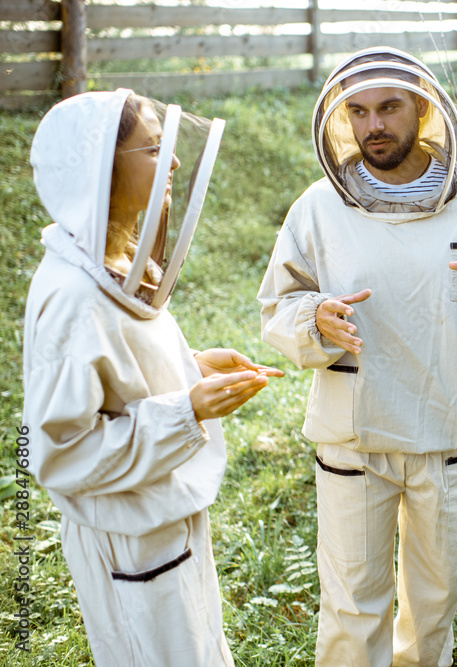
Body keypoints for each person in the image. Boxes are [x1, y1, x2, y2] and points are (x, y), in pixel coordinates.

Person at [258, 47, 457, 666]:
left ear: (422, 108)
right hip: (352, 434)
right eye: (359, 111)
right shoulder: (318, 207)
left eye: (389, 107)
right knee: (350, 602)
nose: (374, 126)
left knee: (435, 600)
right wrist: (314, 317)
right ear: (341, 119)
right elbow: (277, 310)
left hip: (447, 431)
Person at [22, 89, 282, 666]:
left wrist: (192, 369)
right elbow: (59, 453)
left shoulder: (109, 258)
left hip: (157, 518)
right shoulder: (72, 299)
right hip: (129, 538)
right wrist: (188, 410)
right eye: (155, 148)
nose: (176, 162)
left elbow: (121, 371)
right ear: (101, 169)